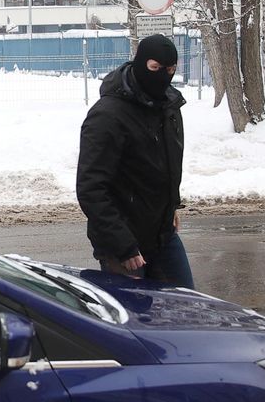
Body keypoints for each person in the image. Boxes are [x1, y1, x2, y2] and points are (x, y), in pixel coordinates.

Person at [76, 34, 193, 288]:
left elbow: (166, 165)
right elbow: (91, 188)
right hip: (123, 243)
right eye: (155, 68)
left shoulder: (168, 107)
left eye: (171, 70)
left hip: (163, 235)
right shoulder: (107, 115)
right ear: (140, 63)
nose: (163, 75)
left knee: (186, 310)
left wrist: (170, 206)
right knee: (133, 320)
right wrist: (123, 245)